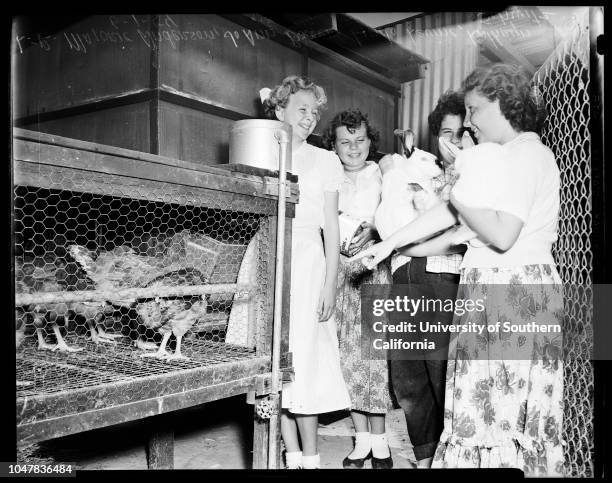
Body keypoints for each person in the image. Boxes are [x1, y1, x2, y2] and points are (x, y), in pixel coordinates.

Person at [351, 63, 564, 476]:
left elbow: (502, 235)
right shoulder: (505, 157)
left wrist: (459, 191)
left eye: (474, 110)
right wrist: (390, 246)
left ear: (503, 104)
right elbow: (455, 215)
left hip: (512, 293)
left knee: (498, 412)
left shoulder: (524, 155)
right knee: (486, 411)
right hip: (497, 288)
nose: (468, 122)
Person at [261, 75, 351, 470]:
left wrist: (330, 281)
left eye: (315, 112)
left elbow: (331, 226)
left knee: (306, 359)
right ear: (279, 110)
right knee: (271, 358)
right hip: (268, 252)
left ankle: (311, 459)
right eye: (301, 109)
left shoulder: (327, 160)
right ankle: (290, 454)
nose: (311, 118)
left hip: (310, 261)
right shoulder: (263, 153)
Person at [384, 91, 470, 469]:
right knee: (406, 372)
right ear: (435, 135)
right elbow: (388, 220)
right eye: (446, 132)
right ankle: (423, 456)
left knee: (441, 370)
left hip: (444, 276)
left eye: (461, 133)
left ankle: (449, 454)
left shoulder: (473, 171)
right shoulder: (419, 168)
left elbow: (456, 228)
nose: (453, 141)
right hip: (405, 272)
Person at [321, 108, 394, 469]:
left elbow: (400, 212)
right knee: (345, 357)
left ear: (371, 142)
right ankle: (361, 439)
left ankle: (381, 441)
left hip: (373, 269)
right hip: (338, 271)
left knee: (372, 355)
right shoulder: (328, 174)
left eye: (360, 140)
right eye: (345, 141)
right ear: (332, 145)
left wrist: (378, 227)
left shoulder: (381, 171)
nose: (353, 148)